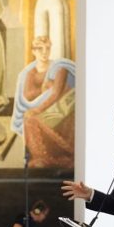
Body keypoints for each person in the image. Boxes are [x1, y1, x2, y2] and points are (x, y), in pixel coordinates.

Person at [10, 36, 75, 168]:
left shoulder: (59, 67)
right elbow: (27, 95)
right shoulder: (30, 72)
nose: (44, 52)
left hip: (62, 108)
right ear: (33, 51)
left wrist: (37, 110)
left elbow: (55, 94)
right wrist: (42, 89)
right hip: (45, 108)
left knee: (31, 120)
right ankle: (39, 158)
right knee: (29, 120)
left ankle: (46, 158)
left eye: (47, 48)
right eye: (40, 49)